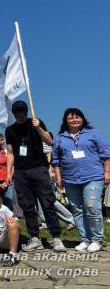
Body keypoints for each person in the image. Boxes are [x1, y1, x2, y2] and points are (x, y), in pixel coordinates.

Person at [5, 100, 65, 252]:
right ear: (14, 113)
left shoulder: (36, 123)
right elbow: (10, 153)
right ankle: (34, 238)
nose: (20, 115)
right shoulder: (10, 130)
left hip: (38, 168)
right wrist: (8, 172)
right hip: (21, 171)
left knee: (47, 203)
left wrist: (38, 128)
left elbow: (50, 141)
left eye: (22, 112)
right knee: (27, 206)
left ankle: (56, 237)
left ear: (26, 111)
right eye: (17, 112)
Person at [52, 108, 110, 253]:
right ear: (66, 121)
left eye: (77, 117)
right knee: (77, 210)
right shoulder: (60, 138)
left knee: (92, 207)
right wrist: (58, 177)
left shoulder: (92, 133)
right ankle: (85, 239)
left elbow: (106, 154)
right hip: (70, 179)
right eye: (70, 118)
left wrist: (107, 172)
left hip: (93, 176)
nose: (74, 120)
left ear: (82, 119)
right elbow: (56, 160)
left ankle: (97, 239)